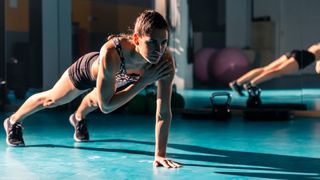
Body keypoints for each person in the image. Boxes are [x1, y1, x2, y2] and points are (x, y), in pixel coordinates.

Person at [3, 10, 182, 168]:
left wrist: (160, 154)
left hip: (120, 79)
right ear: (136, 38)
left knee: (93, 100)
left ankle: (78, 117)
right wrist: (143, 82)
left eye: (163, 42)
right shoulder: (112, 53)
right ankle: (13, 121)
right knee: (53, 100)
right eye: (152, 43)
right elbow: (107, 108)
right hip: (87, 72)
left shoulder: (164, 62)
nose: (159, 49)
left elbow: (164, 112)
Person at [229, 43, 320, 96]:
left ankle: (237, 82)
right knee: (279, 71)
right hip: (304, 58)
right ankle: (252, 84)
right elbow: (318, 70)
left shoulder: (317, 44)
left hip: (296, 53)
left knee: (266, 69)